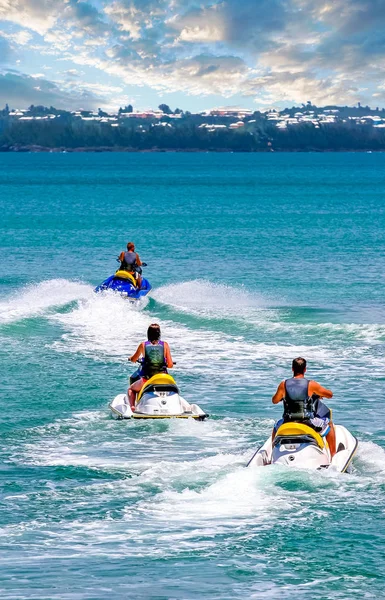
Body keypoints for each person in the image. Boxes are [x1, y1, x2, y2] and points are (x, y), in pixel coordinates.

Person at [272, 357, 336, 456]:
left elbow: (274, 400)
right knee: (329, 424)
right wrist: (318, 394)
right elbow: (330, 395)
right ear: (305, 369)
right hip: (307, 421)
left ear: (292, 369)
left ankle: (272, 454)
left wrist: (283, 397)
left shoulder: (283, 384)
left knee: (275, 427)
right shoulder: (311, 384)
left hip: (287, 421)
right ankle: (333, 455)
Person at [127, 324, 173, 410]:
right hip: (163, 379)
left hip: (148, 380)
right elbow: (170, 365)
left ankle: (132, 407)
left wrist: (131, 358)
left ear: (148, 334)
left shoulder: (143, 345)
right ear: (159, 334)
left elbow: (134, 359)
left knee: (131, 389)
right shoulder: (165, 345)